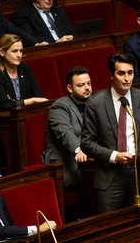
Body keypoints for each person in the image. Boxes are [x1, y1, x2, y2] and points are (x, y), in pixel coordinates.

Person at [80, 53, 140, 214]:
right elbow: (86, 143)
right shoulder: (96, 102)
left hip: (138, 173)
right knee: (111, 228)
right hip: (110, 175)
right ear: (111, 75)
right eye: (121, 73)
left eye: (130, 73)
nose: (127, 78)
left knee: (138, 224)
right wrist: (115, 156)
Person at [0, 34, 47, 160]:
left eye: (21, 51)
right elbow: (4, 105)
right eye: (14, 51)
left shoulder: (25, 68)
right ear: (2, 52)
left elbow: (38, 94)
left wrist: (16, 102)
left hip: (24, 122)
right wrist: (31, 100)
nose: (19, 55)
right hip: (1, 128)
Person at [45, 66, 92, 217]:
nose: (87, 88)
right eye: (81, 85)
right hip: (66, 166)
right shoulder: (59, 107)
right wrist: (78, 150)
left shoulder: (93, 104)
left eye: (89, 84)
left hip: (89, 162)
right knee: (103, 178)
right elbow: (65, 133)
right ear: (69, 88)